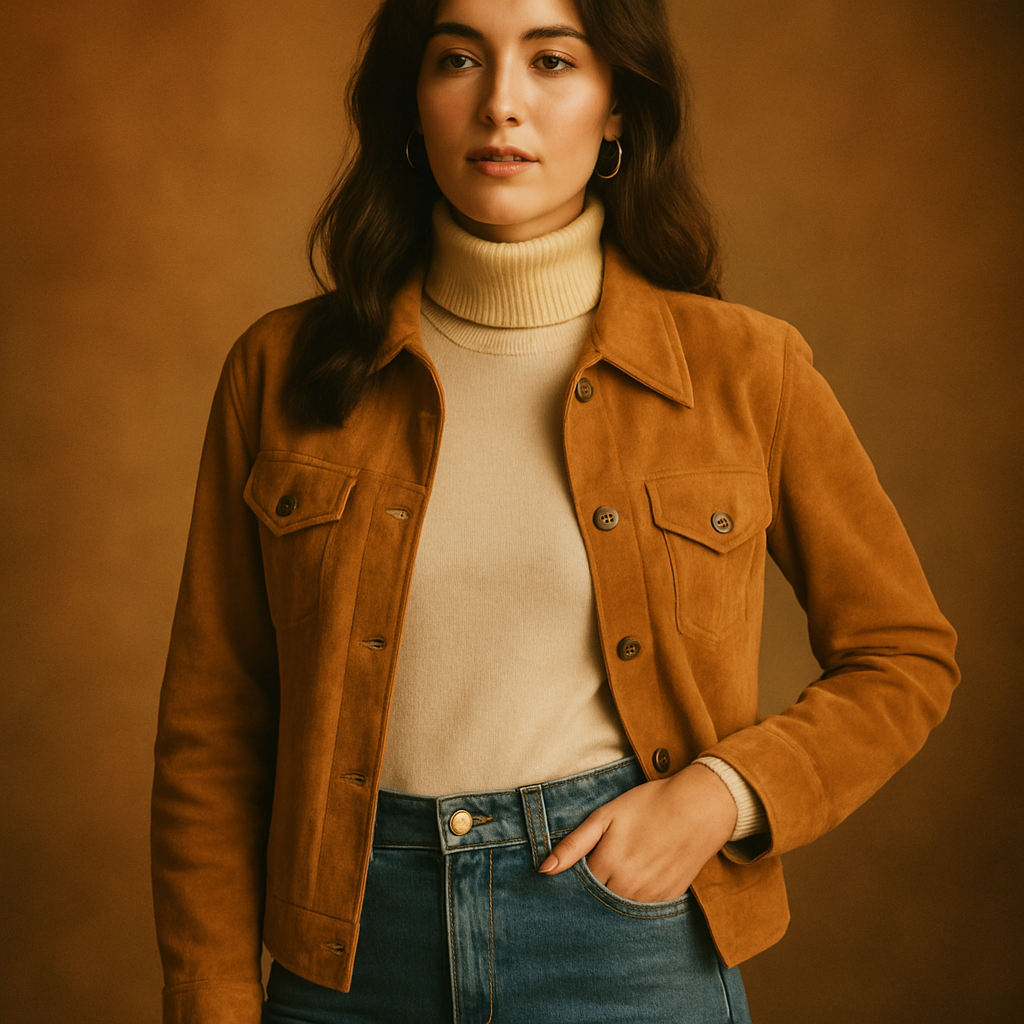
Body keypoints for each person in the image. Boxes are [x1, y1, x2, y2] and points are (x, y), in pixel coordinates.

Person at [150, 0, 959, 1021]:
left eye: (551, 60)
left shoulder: (748, 369)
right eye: (457, 60)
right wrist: (211, 996)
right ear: (412, 99)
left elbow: (903, 654)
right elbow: (213, 727)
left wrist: (721, 795)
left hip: (623, 939)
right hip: (346, 952)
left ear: (616, 106)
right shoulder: (279, 371)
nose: (502, 105)